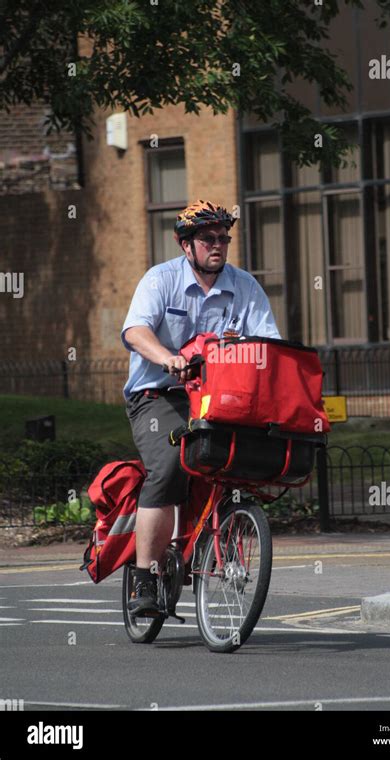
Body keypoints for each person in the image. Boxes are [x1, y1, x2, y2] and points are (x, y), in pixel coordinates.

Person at [121, 200, 281, 616]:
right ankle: (144, 578)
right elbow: (136, 331)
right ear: (185, 244)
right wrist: (167, 358)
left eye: (224, 238)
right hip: (159, 396)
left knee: (241, 461)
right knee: (171, 464)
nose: (218, 245)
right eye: (208, 238)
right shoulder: (161, 280)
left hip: (223, 399)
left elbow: (268, 346)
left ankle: (217, 528)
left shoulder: (245, 286)